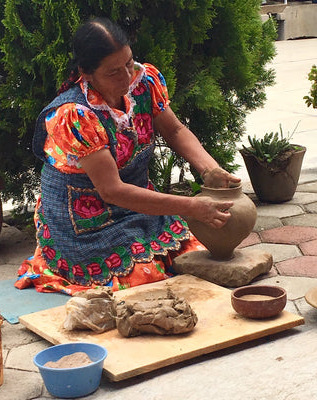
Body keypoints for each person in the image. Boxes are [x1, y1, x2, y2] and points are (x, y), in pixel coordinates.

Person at [16, 17, 240, 295]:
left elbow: (175, 130)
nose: (126, 77)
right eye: (113, 72)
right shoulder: (74, 114)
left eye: (128, 62)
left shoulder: (143, 81)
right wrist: (190, 207)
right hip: (86, 220)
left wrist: (210, 169)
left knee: (189, 254)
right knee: (144, 278)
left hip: (136, 202)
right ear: (86, 73)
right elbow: (112, 190)